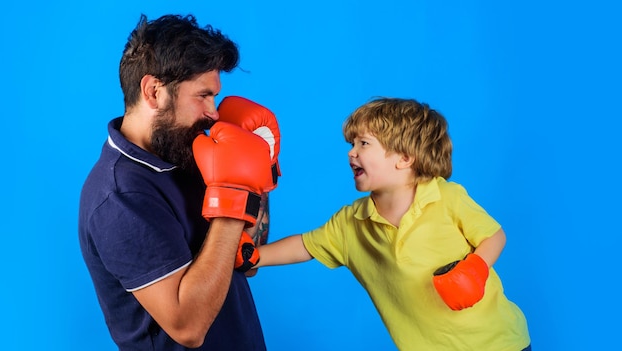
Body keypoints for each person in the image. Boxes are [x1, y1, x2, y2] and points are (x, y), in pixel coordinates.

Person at [252, 97, 531, 350]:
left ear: (405, 158)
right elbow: (304, 245)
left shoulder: (446, 196)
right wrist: (251, 257)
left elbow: (494, 236)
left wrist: (475, 269)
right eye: (352, 144)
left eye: (363, 143)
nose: (351, 152)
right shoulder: (352, 223)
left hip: (501, 343)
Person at [78, 14, 281, 350]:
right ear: (154, 92)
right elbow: (188, 327)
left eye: (215, 97)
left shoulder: (186, 150)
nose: (214, 112)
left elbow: (247, 257)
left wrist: (261, 169)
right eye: (203, 95)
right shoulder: (118, 197)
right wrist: (232, 196)